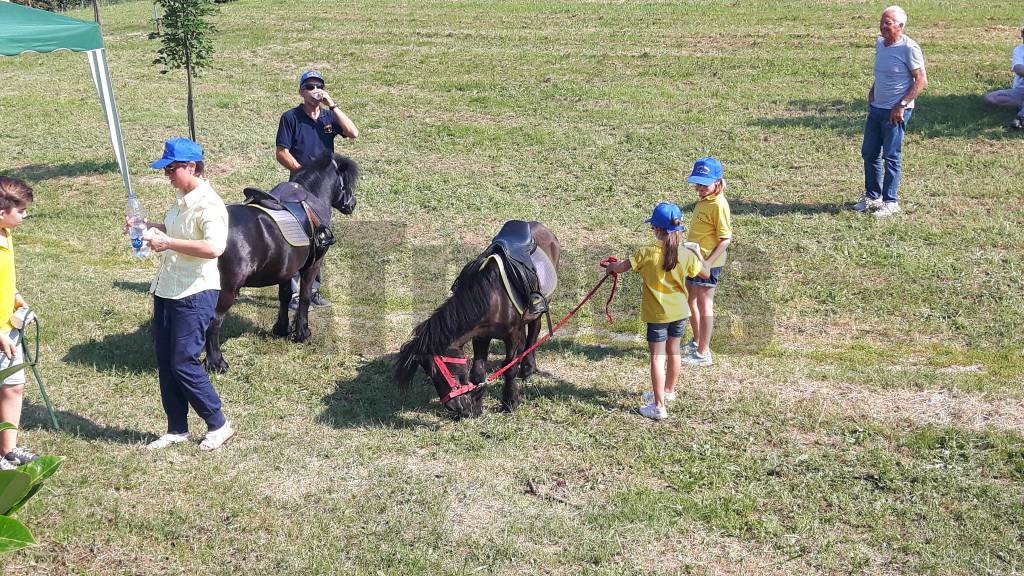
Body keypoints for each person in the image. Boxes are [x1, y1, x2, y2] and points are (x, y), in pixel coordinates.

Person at [138, 138, 235, 451]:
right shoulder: (183, 198)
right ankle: (176, 428)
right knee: (166, 361)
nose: (167, 174)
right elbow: (172, 230)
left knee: (183, 361)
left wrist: (168, 244)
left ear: (191, 167)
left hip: (195, 292)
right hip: (167, 288)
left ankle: (219, 424)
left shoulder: (208, 204)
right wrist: (145, 226)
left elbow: (214, 247)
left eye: (171, 168)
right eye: (166, 168)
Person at [603, 202, 708, 421]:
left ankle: (659, 407)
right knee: (674, 352)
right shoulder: (686, 255)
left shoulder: (646, 253)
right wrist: (697, 252)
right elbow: (706, 273)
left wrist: (611, 267)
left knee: (657, 359)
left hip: (657, 317)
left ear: (656, 230)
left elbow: (622, 267)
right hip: (680, 314)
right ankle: (668, 391)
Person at [275, 70, 359, 310]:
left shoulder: (329, 118)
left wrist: (332, 105)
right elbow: (282, 152)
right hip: (299, 186)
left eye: (319, 85)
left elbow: (353, 133)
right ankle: (292, 293)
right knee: (296, 237)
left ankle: (312, 290)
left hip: (324, 190)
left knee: (321, 238)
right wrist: (303, 172)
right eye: (310, 86)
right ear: (301, 92)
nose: (315, 89)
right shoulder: (291, 117)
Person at [854, 5, 928, 217]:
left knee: (891, 156)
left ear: (900, 26)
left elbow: (921, 80)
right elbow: (883, 73)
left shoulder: (909, 48)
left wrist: (902, 105)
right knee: (869, 152)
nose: (883, 26)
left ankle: (890, 201)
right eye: (882, 22)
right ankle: (872, 197)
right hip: (877, 108)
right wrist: (873, 90)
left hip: (895, 112)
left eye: (888, 23)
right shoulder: (880, 44)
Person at [0, 177, 38, 470]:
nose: (24, 215)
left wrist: (15, 296)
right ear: (3, 211)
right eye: (21, 210)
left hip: (8, 328)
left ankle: (8, 450)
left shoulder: (6, 234)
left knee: (14, 386)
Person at [683, 157, 732, 368]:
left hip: (708, 262)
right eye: (697, 183)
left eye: (704, 183)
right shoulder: (705, 200)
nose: (699, 187)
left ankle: (704, 353)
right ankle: (696, 342)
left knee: (705, 305)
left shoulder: (719, 205)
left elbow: (725, 238)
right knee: (689, 299)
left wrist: (708, 263)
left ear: (718, 182)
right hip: (693, 260)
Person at [983, 25, 1024, 130]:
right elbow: (1018, 68)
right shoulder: (1019, 50)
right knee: (990, 98)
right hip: (1021, 90)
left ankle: (1021, 117)